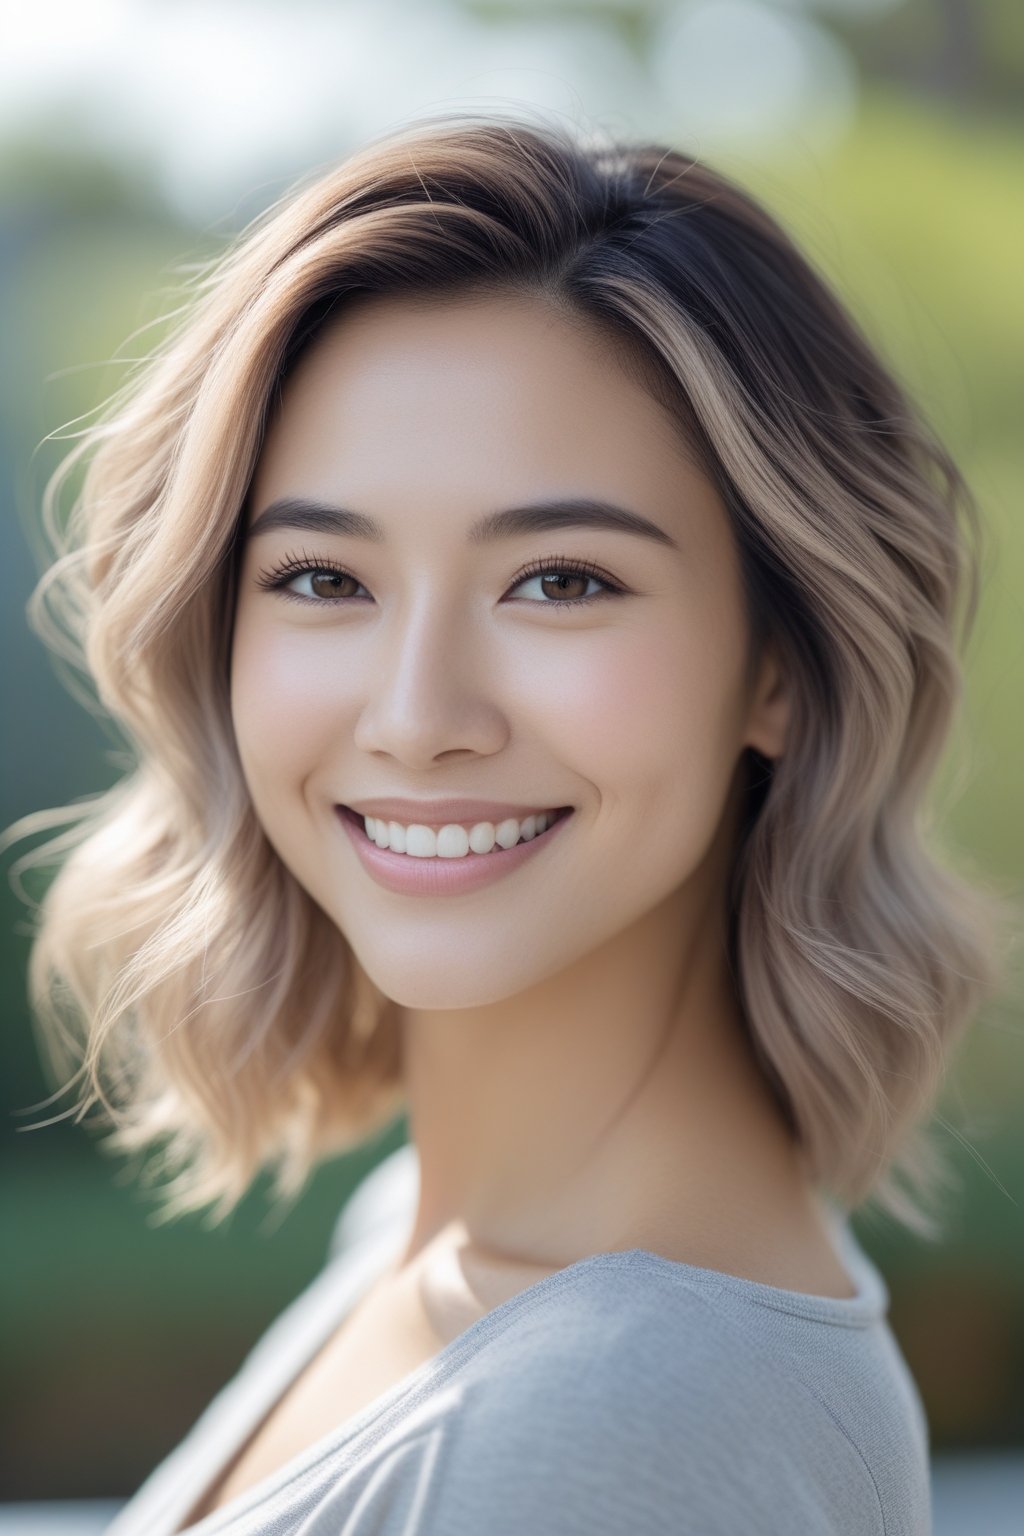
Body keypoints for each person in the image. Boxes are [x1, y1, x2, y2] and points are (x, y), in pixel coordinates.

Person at [7, 108, 1012, 1535]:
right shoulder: (432, 1243)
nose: (418, 715)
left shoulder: (617, 1427)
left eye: (558, 581)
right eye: (323, 579)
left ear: (778, 666)